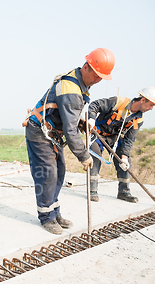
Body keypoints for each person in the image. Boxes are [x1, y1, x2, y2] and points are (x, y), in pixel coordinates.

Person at [23, 48, 115, 235]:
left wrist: (79, 121)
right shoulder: (71, 87)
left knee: (59, 173)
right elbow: (70, 129)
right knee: (47, 175)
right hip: (40, 132)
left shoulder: (80, 82)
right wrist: (84, 155)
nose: (98, 80)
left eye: (101, 78)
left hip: (52, 133)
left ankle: (54, 212)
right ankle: (46, 217)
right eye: (97, 75)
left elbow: (67, 116)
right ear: (87, 66)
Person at [87, 87, 155, 203]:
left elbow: (129, 139)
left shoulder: (138, 120)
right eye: (151, 105)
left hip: (114, 138)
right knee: (95, 155)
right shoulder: (118, 102)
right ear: (143, 100)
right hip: (98, 133)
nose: (151, 108)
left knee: (126, 160)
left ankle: (123, 191)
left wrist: (124, 157)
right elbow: (95, 105)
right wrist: (91, 118)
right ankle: (92, 190)